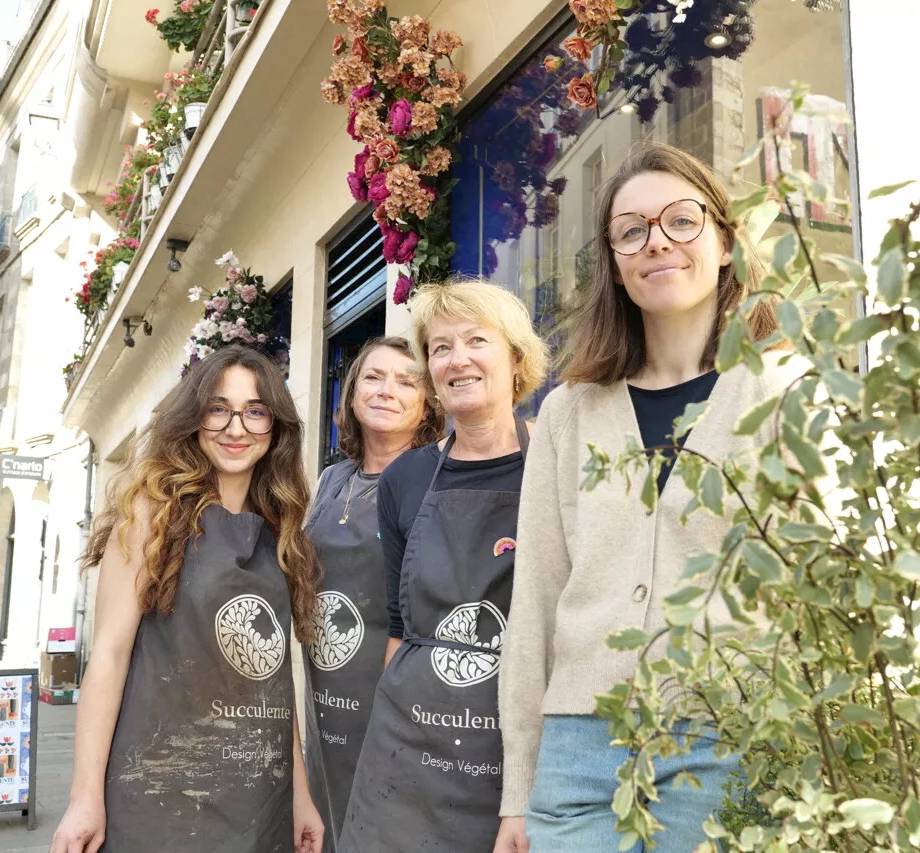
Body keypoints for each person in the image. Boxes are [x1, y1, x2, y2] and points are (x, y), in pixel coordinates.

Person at [496, 141, 802, 853]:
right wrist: (520, 787)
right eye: (631, 230)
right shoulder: (570, 411)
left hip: (730, 740)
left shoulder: (788, 390)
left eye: (682, 220)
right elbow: (535, 599)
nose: (656, 240)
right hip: (579, 755)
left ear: (724, 242)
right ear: (615, 262)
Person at [49, 344, 324, 853]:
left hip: (259, 801)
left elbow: (271, 680)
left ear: (275, 428)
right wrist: (84, 796)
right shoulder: (151, 515)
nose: (236, 428)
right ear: (194, 419)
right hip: (160, 793)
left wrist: (300, 796)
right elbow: (108, 657)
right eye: (219, 408)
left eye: (255, 411)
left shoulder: (281, 534)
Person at [337, 281, 550, 853]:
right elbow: (399, 625)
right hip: (406, 748)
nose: (457, 360)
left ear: (515, 358)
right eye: (440, 348)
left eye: (476, 341)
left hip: (512, 746)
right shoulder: (404, 479)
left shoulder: (555, 463)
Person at [302, 336, 444, 852]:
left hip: (395, 699)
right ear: (351, 391)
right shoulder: (329, 480)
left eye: (407, 382)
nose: (387, 391)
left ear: (428, 402)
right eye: (373, 377)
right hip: (324, 704)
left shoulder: (437, 478)